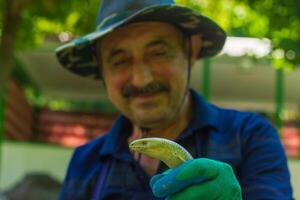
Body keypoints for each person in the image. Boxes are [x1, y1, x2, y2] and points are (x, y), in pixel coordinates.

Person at [55, 0, 293, 199]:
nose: (141, 79)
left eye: (158, 52)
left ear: (191, 51)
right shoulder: (85, 161)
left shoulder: (250, 136)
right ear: (101, 70)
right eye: (119, 60)